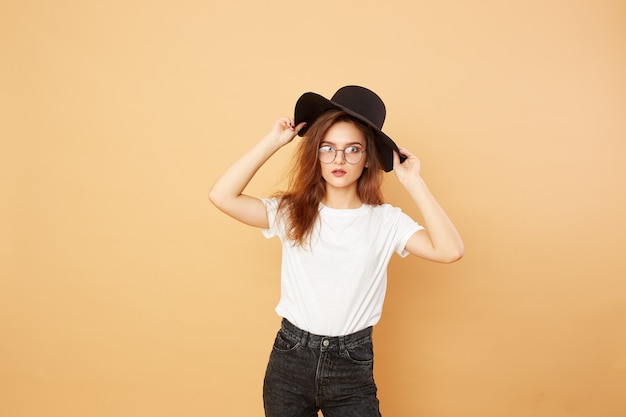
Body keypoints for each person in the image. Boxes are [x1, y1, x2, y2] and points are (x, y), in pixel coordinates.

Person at [209, 85, 464, 417]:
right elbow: (222, 196)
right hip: (290, 360)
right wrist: (272, 141)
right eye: (328, 148)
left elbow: (449, 250)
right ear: (316, 154)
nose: (339, 159)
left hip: (352, 365)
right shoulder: (291, 212)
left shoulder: (386, 222)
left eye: (352, 149)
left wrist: (413, 181)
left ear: (369, 157)